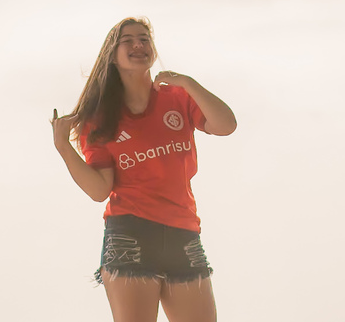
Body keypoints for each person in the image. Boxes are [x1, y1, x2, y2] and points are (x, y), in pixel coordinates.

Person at [51, 17, 237, 322]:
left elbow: (226, 125)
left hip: (183, 233)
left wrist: (187, 82)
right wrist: (63, 147)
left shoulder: (178, 98)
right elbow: (99, 190)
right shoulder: (100, 118)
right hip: (130, 237)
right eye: (128, 40)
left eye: (145, 39)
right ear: (112, 55)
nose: (139, 45)